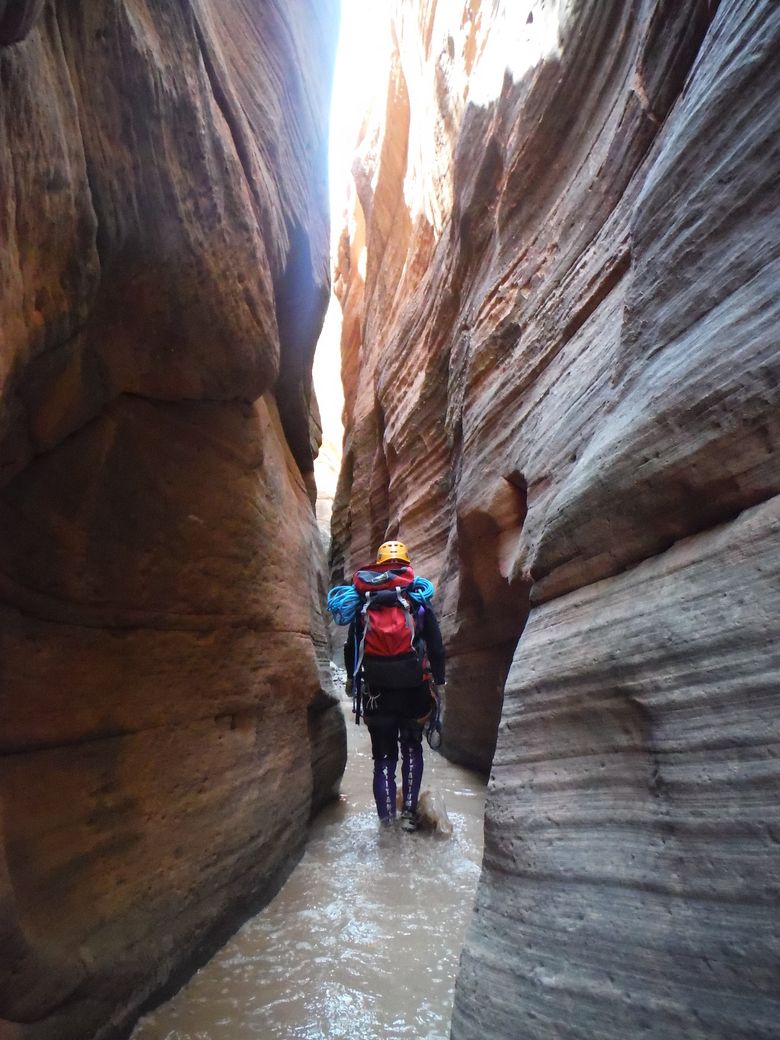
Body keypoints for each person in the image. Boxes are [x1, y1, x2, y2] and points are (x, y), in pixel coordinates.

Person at [344, 540, 445, 831]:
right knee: (412, 748)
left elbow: (352, 649)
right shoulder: (416, 599)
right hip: (415, 690)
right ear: (406, 563)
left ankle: (386, 825)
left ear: (378, 565)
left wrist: (353, 681)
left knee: (383, 759)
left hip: (377, 693)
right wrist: (440, 682)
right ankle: (409, 816)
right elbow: (436, 647)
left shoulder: (365, 602)